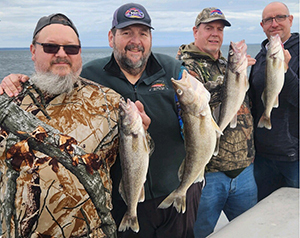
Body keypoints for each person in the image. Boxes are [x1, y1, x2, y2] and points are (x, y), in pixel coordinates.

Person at [0, 3, 203, 238]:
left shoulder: (175, 70)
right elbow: (53, 84)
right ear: (111, 37)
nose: (135, 41)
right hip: (121, 202)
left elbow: (195, 117)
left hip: (176, 191)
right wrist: (15, 82)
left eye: (143, 33)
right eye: (126, 33)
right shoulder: (89, 76)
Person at [176, 7, 257, 238]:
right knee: (200, 233)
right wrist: (235, 74)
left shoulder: (226, 64)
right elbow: (191, 112)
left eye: (219, 29)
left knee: (251, 231)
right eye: (209, 28)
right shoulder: (185, 69)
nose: (215, 34)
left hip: (245, 170)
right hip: (208, 175)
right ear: (195, 31)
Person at [249, 2, 299, 201]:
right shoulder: (260, 58)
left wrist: (286, 70)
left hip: (294, 157)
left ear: (290, 20)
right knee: (265, 218)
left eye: (280, 17)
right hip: (262, 156)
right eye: (268, 20)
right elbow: (253, 101)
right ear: (262, 25)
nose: (274, 23)